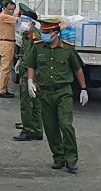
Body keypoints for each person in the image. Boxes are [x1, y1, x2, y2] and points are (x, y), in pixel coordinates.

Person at [25, 16, 88, 174]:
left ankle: (71, 159)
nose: (44, 35)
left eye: (47, 32)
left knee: (66, 125)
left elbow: (78, 69)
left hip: (63, 92)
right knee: (50, 127)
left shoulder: (67, 49)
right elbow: (31, 65)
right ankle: (58, 156)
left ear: (55, 32)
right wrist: (30, 81)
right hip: (45, 92)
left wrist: (84, 89)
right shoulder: (38, 47)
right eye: (43, 32)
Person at [13, 9, 43, 142]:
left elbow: (37, 55)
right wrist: (20, 61)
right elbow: (25, 51)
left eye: (25, 21)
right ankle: (35, 128)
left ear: (32, 22)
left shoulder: (35, 35)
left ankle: (28, 130)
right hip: (25, 69)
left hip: (30, 72)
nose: (22, 23)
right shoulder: (28, 34)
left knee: (27, 102)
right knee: (33, 101)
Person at [0, 1, 19, 98]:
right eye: (9, 9)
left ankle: (4, 89)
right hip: (6, 43)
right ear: (5, 8)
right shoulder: (3, 16)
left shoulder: (9, 16)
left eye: (13, 10)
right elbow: (17, 19)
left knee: (8, 68)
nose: (11, 11)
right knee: (5, 68)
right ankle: (1, 90)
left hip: (10, 42)